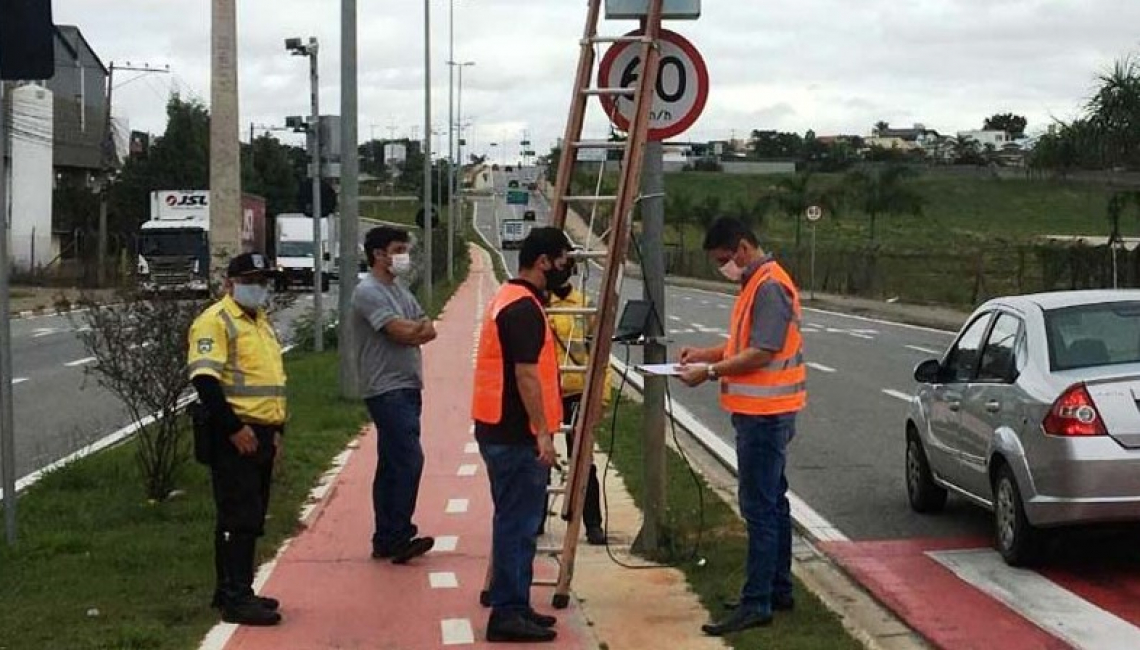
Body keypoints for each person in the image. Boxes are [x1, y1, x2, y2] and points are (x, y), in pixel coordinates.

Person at [677, 217, 807, 636]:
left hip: (765, 416)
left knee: (759, 508)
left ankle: (757, 603)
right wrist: (706, 353)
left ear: (743, 248)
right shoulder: (757, 283)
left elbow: (762, 353)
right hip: (765, 412)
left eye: (723, 260)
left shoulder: (768, 286)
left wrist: (710, 371)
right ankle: (776, 589)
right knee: (774, 503)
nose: (723, 268)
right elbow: (742, 346)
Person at [472, 227, 573, 643]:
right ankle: (508, 613)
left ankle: (516, 603)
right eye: (564, 262)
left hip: (501, 428)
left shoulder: (514, 299)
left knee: (517, 520)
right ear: (544, 262)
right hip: (516, 434)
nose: (567, 271)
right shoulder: (523, 309)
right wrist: (544, 435)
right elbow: (527, 376)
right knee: (518, 523)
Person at [188, 252, 287, 627]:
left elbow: (272, 380)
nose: (258, 287)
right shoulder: (215, 322)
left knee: (248, 514)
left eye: (263, 281)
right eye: (250, 280)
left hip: (261, 430)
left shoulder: (260, 323)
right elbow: (205, 380)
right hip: (234, 433)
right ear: (230, 284)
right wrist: (234, 428)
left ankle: (231, 588)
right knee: (239, 516)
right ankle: (236, 598)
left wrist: (276, 432)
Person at [353, 226, 437, 564]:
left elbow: (428, 329)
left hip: (408, 384)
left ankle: (385, 536)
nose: (403, 256)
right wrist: (414, 329)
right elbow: (399, 331)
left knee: (391, 463)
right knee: (409, 458)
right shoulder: (368, 291)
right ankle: (400, 533)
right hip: (385, 387)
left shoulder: (399, 290)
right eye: (398, 249)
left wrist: (415, 330)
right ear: (378, 254)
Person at [546, 266, 610, 545]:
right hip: (545, 391)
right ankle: (536, 519)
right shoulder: (538, 305)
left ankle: (593, 523)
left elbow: (599, 353)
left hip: (576, 390)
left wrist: (601, 395)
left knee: (583, 460)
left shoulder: (584, 306)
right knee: (539, 458)